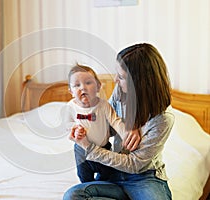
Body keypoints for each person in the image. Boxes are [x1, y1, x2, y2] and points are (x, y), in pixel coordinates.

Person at [63, 43, 174, 200]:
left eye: (121, 77)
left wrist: (89, 148)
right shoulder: (121, 92)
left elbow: (134, 164)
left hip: (144, 178)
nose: (115, 80)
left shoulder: (163, 118)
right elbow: (107, 126)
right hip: (113, 173)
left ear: (139, 83)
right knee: (73, 195)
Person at [65, 64, 140, 183]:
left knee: (108, 175)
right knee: (84, 176)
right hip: (81, 151)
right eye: (77, 85)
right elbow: (67, 124)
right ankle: (88, 188)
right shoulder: (70, 107)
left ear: (98, 86)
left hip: (103, 149)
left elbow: (115, 121)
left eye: (88, 83)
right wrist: (75, 129)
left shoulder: (104, 105)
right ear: (71, 91)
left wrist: (126, 134)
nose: (83, 88)